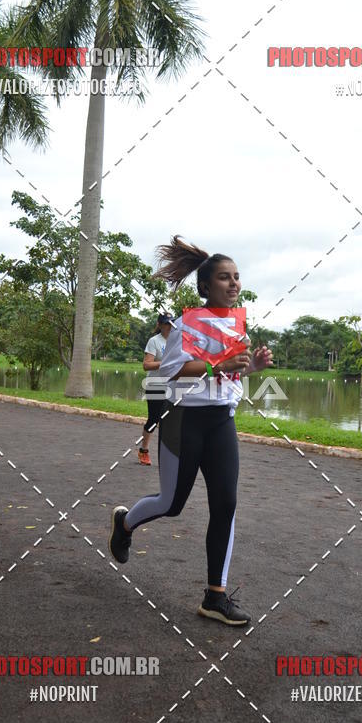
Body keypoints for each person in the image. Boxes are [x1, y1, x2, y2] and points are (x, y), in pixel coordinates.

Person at [109, 236, 273, 626]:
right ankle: (125, 523)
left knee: (226, 505)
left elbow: (233, 371)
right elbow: (168, 371)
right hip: (184, 420)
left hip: (221, 422)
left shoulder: (238, 327)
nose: (233, 283)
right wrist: (220, 364)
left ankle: (215, 596)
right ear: (205, 286)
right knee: (172, 503)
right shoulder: (187, 325)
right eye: (223, 277)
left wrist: (253, 368)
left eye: (236, 277)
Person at [138, 312, 174, 465]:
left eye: (171, 323)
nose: (169, 326)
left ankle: (167, 455)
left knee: (170, 422)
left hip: (172, 387)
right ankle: (143, 450)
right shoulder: (154, 341)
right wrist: (166, 362)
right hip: (155, 386)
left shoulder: (177, 341)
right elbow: (146, 365)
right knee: (154, 420)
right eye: (166, 323)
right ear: (159, 325)